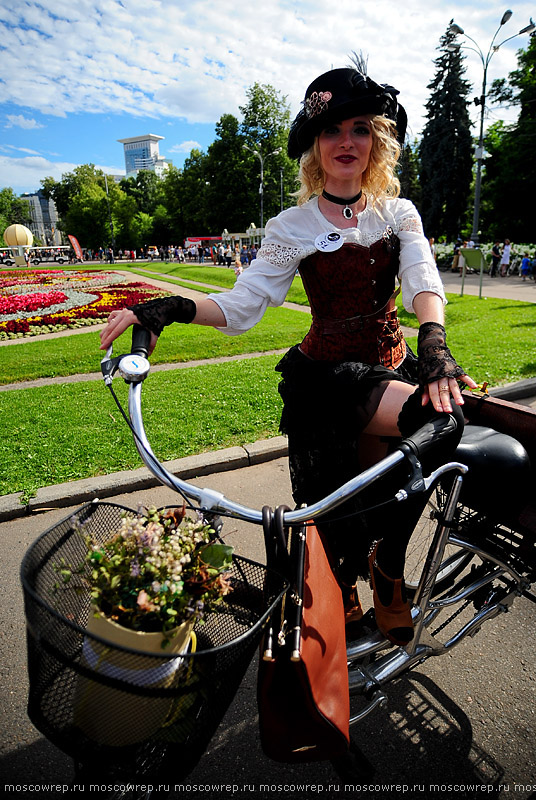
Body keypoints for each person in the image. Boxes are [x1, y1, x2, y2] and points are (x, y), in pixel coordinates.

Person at [100, 59, 477, 647]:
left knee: (425, 442)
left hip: (392, 363)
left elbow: (422, 278)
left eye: (359, 128)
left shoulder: (398, 213)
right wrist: (170, 308)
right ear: (316, 148)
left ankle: (389, 567)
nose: (345, 142)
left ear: (376, 140)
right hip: (330, 378)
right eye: (332, 131)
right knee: (336, 501)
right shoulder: (291, 225)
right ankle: (343, 588)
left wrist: (434, 342)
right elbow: (243, 305)